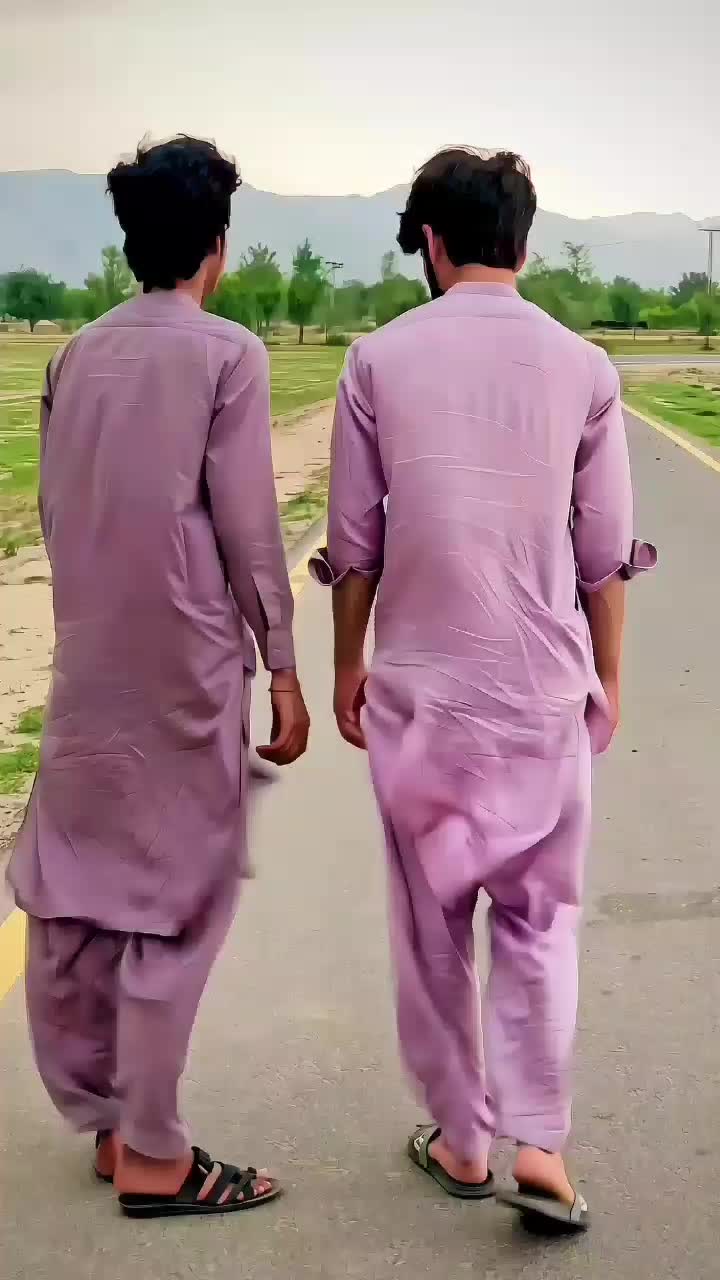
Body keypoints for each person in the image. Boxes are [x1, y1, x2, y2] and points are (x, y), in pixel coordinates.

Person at [311, 147, 655, 1233]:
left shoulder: (376, 360)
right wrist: (606, 679)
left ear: (430, 241)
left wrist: (348, 665)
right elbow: (603, 554)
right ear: (526, 242)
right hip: (541, 693)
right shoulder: (585, 368)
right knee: (539, 921)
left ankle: (462, 1139)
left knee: (431, 927)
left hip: (423, 695)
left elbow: (354, 541)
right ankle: (540, 1145)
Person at [8, 136, 310, 1220]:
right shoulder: (230, 355)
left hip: (89, 653)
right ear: (217, 246)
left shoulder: (72, 356)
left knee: (79, 887)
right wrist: (283, 666)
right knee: (178, 894)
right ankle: (152, 1150)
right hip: (186, 661)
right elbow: (250, 530)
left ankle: (105, 1119)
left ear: (130, 240)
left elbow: (53, 509)